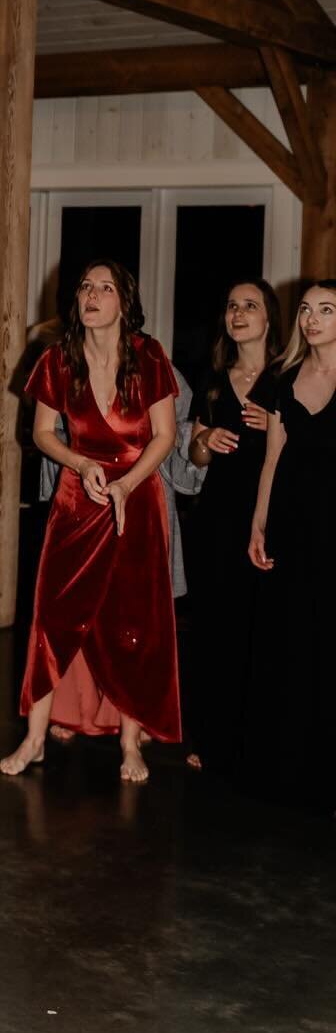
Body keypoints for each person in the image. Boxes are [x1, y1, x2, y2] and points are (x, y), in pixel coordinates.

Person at [1, 262, 179, 785]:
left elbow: (164, 436)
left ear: (124, 302)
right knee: (51, 617)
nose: (92, 295)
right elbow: (42, 433)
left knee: (132, 621)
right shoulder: (57, 359)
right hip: (76, 501)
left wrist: (126, 484)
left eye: (105, 288)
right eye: (85, 287)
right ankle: (34, 739)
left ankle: (130, 741)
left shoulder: (149, 356)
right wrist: (80, 464)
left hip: (137, 500)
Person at [184, 279, 282, 774]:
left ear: (270, 318)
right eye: (231, 306)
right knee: (215, 627)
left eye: (250, 305)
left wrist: (277, 430)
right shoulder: (216, 376)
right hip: (218, 515)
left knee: (262, 628)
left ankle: (257, 737)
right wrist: (209, 438)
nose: (238, 313)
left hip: (271, 514)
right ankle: (208, 733)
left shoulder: (289, 374)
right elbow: (196, 455)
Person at [245, 280, 336, 811]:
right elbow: (272, 459)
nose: (312, 318)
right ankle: (287, 766)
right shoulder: (282, 379)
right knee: (291, 639)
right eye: (306, 309)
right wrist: (258, 524)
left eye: (326, 310)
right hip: (293, 527)